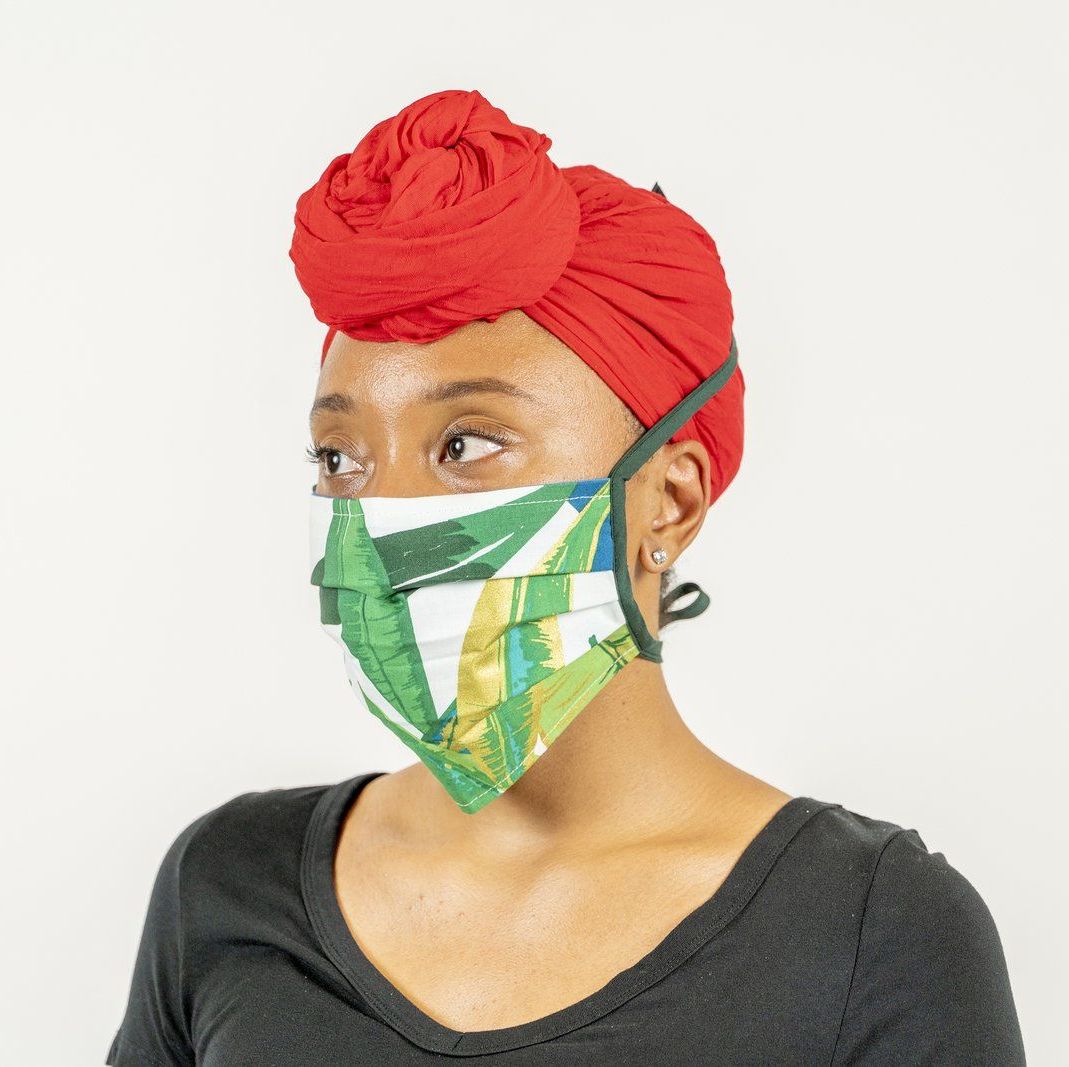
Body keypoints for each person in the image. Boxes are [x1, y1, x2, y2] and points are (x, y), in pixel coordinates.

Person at [106, 89, 1025, 1065]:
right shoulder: (224, 884)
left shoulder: (870, 928)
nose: (377, 524)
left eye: (465, 443)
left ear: (668, 501)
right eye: (340, 458)